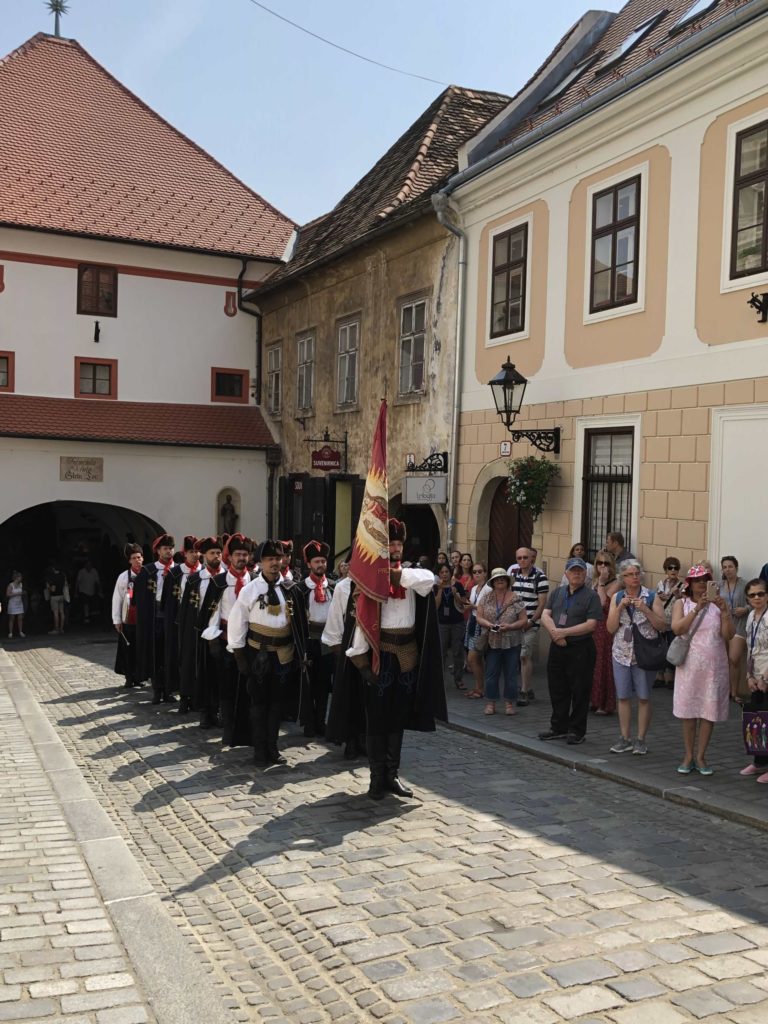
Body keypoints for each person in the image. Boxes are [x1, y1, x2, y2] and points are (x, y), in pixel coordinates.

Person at [327, 518, 446, 800]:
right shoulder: (368, 582)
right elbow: (362, 621)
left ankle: (392, 775)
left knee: (398, 718)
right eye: (389, 543)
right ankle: (376, 777)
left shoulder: (411, 574)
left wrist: (396, 576)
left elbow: (432, 580)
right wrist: (361, 662)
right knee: (377, 719)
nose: (394, 548)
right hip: (380, 654)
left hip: (407, 654)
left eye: (398, 543)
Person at [227, 540, 311, 766]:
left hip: (283, 654)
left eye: (278, 559)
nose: (275, 563)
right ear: (261, 562)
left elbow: (300, 623)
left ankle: (273, 747)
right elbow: (237, 621)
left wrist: (301, 653)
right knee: (258, 703)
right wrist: (239, 654)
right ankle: (259, 749)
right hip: (258, 655)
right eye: (270, 559)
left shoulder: (291, 589)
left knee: (277, 703)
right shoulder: (250, 590)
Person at [671, 564, 734, 775]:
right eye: (697, 581)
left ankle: (701, 756)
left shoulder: (719, 605)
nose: (701, 585)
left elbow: (728, 635)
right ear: (690, 584)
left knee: (708, 712)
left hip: (714, 667)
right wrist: (697, 610)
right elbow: (677, 629)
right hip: (690, 666)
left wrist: (725, 612)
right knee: (689, 712)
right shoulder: (682, 603)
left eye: (705, 580)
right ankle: (688, 755)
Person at [539, 557, 603, 745]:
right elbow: (545, 614)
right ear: (566, 573)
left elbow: (591, 625)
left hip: (580, 648)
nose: (576, 574)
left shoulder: (591, 596)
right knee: (557, 688)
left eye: (580, 571)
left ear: (585, 574)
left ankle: (577, 730)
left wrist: (563, 632)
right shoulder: (558, 592)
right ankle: (558, 726)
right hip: (558, 646)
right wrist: (554, 633)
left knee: (580, 690)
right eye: (573, 570)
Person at [605, 559, 666, 755]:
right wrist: (620, 607)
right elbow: (610, 628)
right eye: (630, 575)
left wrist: (645, 609)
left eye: (637, 574)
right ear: (622, 578)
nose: (635, 578)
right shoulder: (616, 597)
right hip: (621, 652)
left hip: (644, 654)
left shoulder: (651, 597)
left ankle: (640, 739)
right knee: (622, 696)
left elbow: (662, 625)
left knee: (644, 697)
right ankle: (625, 738)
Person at [203, 534, 254, 745]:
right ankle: (229, 728)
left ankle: (248, 730)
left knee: (249, 687)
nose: (241, 558)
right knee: (227, 686)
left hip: (250, 641)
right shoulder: (219, 582)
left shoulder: (255, 580)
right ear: (229, 557)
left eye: (244, 554)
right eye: (237, 555)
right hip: (225, 641)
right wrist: (213, 639)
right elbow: (211, 612)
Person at [178, 536, 225, 726]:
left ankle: (221, 710)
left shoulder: (228, 577)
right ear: (204, 555)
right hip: (200, 632)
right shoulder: (195, 579)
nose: (216, 556)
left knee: (221, 674)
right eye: (212, 553)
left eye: (219, 553)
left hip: (223, 633)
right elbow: (186, 609)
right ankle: (205, 712)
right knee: (202, 673)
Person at [475, 568, 528, 716]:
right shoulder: (486, 598)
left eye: (503, 579)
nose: (500, 581)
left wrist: (510, 626)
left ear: (507, 581)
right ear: (492, 582)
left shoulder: (515, 598)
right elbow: (478, 617)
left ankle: (509, 703)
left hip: (512, 641)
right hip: (492, 641)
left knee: (511, 674)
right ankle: (491, 702)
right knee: (491, 673)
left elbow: (524, 620)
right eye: (497, 579)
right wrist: (489, 624)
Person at [297, 540, 335, 737]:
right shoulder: (300, 589)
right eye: (316, 561)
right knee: (309, 684)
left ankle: (321, 721)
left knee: (323, 684)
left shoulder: (334, 587)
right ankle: (309, 722)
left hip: (327, 641)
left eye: (323, 561)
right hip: (309, 641)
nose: (320, 565)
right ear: (309, 564)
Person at [510, 547, 549, 706]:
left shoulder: (540, 577)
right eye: (519, 558)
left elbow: (542, 604)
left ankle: (524, 691)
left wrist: (532, 621)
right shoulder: (513, 575)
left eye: (525, 557)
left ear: (531, 559)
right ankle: (529, 688)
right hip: (515, 622)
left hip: (531, 623)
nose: (522, 561)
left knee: (524, 655)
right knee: (517, 655)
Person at [740, 579, 768, 783]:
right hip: (755, 674)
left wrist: (765, 678)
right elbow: (750, 648)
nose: (757, 598)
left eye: (761, 594)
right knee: (757, 722)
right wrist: (749, 676)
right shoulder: (751, 616)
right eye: (752, 595)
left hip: (767, 675)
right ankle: (760, 762)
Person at [111, 544, 146, 689]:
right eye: (134, 558)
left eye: (139, 557)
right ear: (129, 561)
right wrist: (117, 620)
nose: (137, 560)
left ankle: (140, 676)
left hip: (143, 619)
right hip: (128, 618)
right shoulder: (123, 577)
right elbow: (117, 599)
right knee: (128, 649)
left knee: (141, 649)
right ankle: (129, 677)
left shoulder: (147, 574)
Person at [590, 550, 620, 715]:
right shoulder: (595, 581)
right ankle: (594, 700)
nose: (602, 566)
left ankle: (604, 703)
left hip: (606, 626)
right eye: (599, 563)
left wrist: (601, 583)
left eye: (606, 563)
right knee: (592, 663)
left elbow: (603, 603)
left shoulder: (616, 583)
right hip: (593, 625)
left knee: (603, 663)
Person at [652, 556, 684, 689]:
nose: (673, 570)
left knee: (672, 647)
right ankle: (659, 676)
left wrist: (677, 595)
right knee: (659, 648)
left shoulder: (682, 585)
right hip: (661, 620)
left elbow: (684, 602)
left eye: (675, 568)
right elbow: (654, 600)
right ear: (665, 569)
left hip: (673, 621)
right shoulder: (661, 584)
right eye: (670, 568)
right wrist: (658, 597)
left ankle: (670, 678)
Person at [720, 555, 748, 704]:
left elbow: (755, 601)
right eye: (724, 567)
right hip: (723, 625)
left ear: (736, 567)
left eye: (730, 566)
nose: (727, 569)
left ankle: (735, 692)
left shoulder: (744, 584)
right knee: (723, 660)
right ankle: (725, 691)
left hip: (739, 625)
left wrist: (745, 609)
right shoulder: (719, 585)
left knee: (734, 658)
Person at [435, 565, 467, 691]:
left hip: (457, 623)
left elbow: (464, 603)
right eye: (442, 572)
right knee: (441, 652)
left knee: (457, 651)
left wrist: (456, 595)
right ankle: (440, 680)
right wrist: (440, 590)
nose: (444, 574)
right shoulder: (436, 587)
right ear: (439, 574)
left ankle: (458, 679)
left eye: (446, 571)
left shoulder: (458, 585)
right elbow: (436, 606)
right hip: (442, 624)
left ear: (450, 572)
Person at [465, 563, 489, 699]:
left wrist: (472, 606)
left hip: (482, 624)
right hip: (472, 622)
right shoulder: (474, 588)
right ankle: (478, 687)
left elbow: (488, 609)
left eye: (480, 571)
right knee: (475, 659)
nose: (477, 574)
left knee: (473, 658)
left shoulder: (488, 589)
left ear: (485, 573)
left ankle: (480, 688)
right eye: (474, 572)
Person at [75, 560, 101, 625]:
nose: (89, 567)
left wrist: (100, 591)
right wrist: (76, 592)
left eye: (90, 565)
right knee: (85, 603)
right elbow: (77, 582)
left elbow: (98, 582)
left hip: (91, 591)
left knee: (91, 605)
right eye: (87, 565)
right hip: (83, 591)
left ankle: (90, 618)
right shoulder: (81, 572)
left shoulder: (94, 571)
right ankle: (86, 618)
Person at [45, 563, 68, 635]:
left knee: (55, 613)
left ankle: (56, 628)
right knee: (61, 612)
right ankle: (61, 628)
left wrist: (48, 587)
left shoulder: (52, 577)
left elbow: (53, 589)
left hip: (54, 596)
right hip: (61, 595)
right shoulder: (62, 576)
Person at [6, 570, 26, 640]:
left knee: (20, 618)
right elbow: (8, 594)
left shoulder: (21, 584)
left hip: (19, 603)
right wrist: (17, 594)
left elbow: (21, 592)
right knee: (12, 618)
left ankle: (20, 631)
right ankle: (10, 632)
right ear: (16, 578)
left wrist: (23, 593)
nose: (21, 578)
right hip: (12, 603)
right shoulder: (11, 585)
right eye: (20, 577)